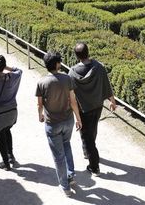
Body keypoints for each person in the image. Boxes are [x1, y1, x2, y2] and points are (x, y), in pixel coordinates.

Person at [36, 51, 83, 196]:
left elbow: (39, 104)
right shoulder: (67, 78)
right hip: (68, 120)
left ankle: (65, 187)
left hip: (52, 123)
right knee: (67, 144)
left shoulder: (41, 82)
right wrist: (78, 118)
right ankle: (71, 176)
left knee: (58, 156)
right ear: (57, 64)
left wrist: (40, 115)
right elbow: (73, 101)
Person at [69, 42, 117, 175]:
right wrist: (112, 101)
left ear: (76, 56)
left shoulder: (72, 73)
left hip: (83, 108)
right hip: (97, 105)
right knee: (92, 129)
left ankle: (94, 166)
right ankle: (87, 151)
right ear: (88, 52)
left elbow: (71, 93)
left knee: (86, 137)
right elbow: (107, 85)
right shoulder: (99, 67)